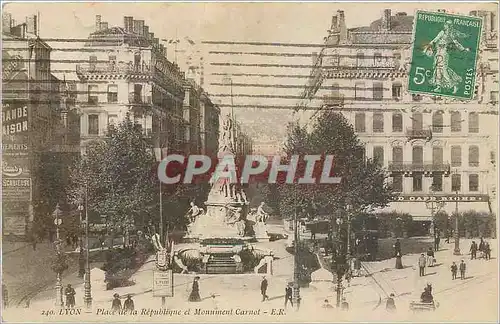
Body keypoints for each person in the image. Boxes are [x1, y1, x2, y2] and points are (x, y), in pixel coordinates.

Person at [423, 20, 470, 94]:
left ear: (449, 26)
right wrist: (427, 48)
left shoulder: (451, 34)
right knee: (437, 68)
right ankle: (438, 86)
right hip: (438, 52)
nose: (444, 26)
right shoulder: (442, 32)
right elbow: (435, 40)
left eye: (446, 25)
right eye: (445, 24)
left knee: (443, 69)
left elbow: (456, 43)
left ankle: (454, 84)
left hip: (444, 53)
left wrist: (463, 49)